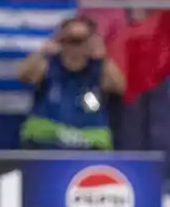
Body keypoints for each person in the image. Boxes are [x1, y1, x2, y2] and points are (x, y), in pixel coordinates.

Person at [18, 16, 126, 150]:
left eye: (80, 41)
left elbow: (120, 87)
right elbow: (23, 75)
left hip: (88, 143)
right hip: (47, 141)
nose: (75, 47)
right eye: (70, 40)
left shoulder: (99, 67)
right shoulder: (48, 64)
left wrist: (103, 56)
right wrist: (42, 51)